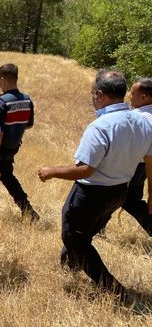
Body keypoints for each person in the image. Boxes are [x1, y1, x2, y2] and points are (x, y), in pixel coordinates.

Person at [38, 70, 152, 302]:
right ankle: (70, 264)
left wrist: (50, 172)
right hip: (120, 191)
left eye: (93, 93)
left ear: (100, 95)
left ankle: (114, 290)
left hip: (90, 193)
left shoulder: (100, 127)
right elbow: (149, 159)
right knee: (86, 231)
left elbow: (85, 170)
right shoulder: (142, 122)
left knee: (74, 237)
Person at [0, 63, 38, 221]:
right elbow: (29, 124)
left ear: (3, 80)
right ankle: (28, 210)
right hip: (12, 147)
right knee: (8, 177)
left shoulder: (0, 103)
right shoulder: (27, 100)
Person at [122, 77, 152, 236]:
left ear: (144, 97)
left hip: (132, 166)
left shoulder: (136, 118)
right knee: (129, 199)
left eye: (132, 92)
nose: (129, 95)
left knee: (118, 197)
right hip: (144, 168)